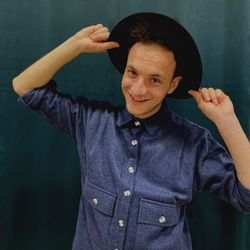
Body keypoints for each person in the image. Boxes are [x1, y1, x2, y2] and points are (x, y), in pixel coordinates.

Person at [12, 12, 250, 250]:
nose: (138, 89)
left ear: (173, 84)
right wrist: (74, 45)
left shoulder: (194, 143)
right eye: (132, 72)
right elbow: (24, 86)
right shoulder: (90, 121)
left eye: (155, 80)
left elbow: (246, 198)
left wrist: (227, 120)